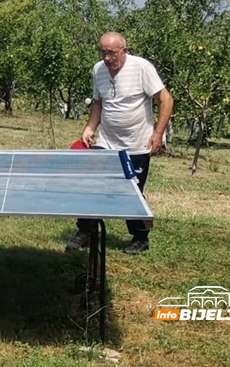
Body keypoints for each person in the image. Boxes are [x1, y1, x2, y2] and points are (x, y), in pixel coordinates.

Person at [65, 32, 173, 255]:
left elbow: (166, 99)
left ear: (124, 50)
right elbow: (98, 102)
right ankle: (86, 230)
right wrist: (89, 128)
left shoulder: (142, 68)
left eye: (111, 53)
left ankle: (140, 238)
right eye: (103, 52)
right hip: (107, 141)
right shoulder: (98, 70)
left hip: (136, 144)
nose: (107, 58)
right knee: (92, 185)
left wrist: (158, 134)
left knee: (132, 191)